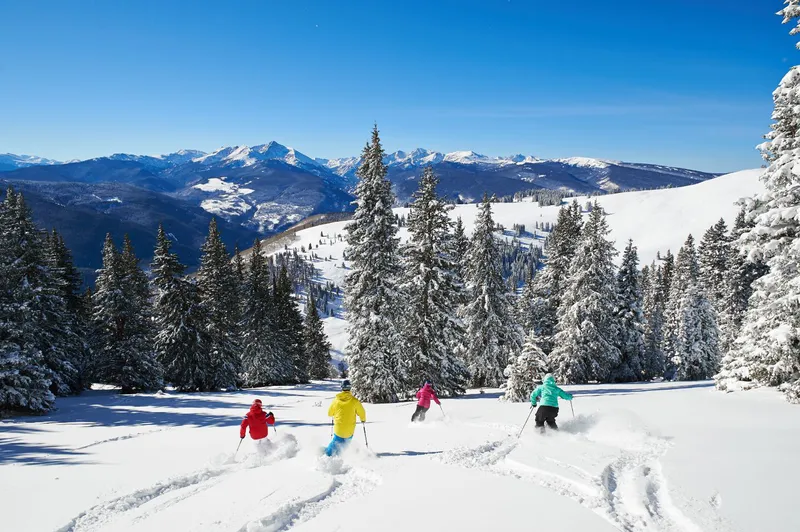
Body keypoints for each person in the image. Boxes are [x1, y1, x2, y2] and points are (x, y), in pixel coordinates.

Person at [325, 380, 366, 456]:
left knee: (336, 441)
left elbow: (329, 413)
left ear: (342, 387)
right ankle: (342, 454)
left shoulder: (336, 400)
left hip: (339, 428)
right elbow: (362, 412)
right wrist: (363, 419)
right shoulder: (355, 401)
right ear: (350, 388)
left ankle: (328, 454)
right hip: (350, 429)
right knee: (346, 442)